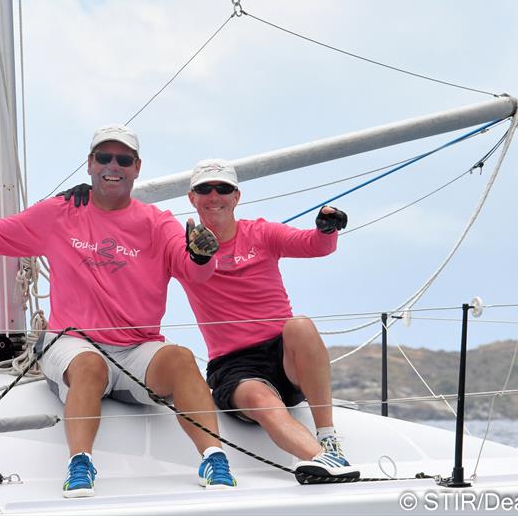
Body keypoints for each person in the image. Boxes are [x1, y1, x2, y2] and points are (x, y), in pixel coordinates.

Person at [0, 126, 237, 498]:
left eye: (123, 159)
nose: (113, 166)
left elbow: (193, 271)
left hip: (136, 348)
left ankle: (214, 458)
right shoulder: (61, 214)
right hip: (73, 342)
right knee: (89, 367)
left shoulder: (157, 222)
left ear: (137, 167)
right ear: (90, 164)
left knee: (180, 358)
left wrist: (201, 255)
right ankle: (80, 463)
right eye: (104, 158)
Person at [62, 159, 357, 479]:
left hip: (284, 354)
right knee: (261, 399)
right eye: (205, 189)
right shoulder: (183, 248)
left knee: (299, 325)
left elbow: (314, 245)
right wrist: (90, 203)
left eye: (223, 189)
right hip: (235, 367)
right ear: (192, 198)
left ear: (236, 196)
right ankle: (324, 460)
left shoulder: (261, 232)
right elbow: (125, 238)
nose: (214, 195)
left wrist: (326, 229)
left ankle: (328, 435)